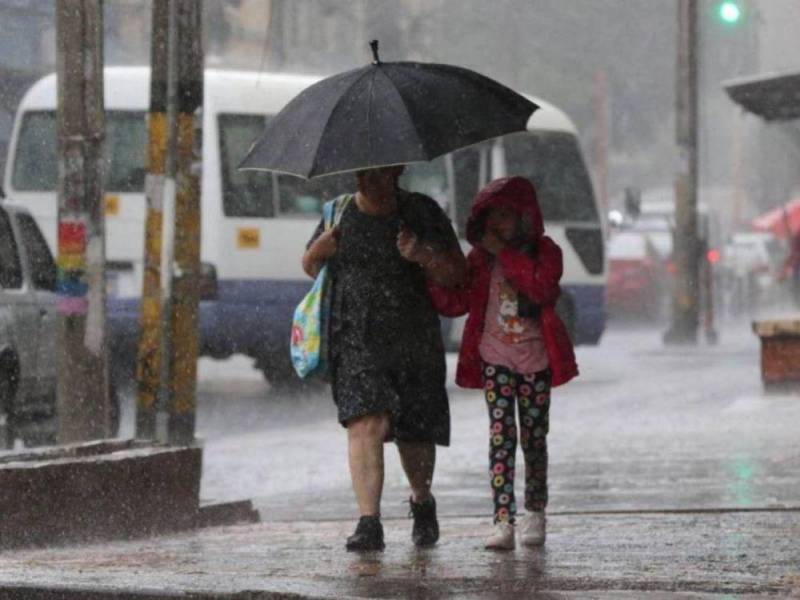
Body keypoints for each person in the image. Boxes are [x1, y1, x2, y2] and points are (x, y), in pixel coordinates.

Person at [302, 166, 467, 552]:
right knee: (364, 422)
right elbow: (312, 268)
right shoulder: (338, 213)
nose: (365, 182)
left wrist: (423, 253)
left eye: (375, 175)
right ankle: (368, 522)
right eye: (360, 175)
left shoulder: (421, 212)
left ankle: (422, 500)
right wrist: (317, 251)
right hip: (355, 340)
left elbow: (457, 274)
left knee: (414, 432)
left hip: (414, 341)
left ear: (396, 171)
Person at [427, 176, 578, 550]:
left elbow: (540, 289)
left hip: (535, 360)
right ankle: (502, 519)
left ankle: (535, 512)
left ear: (524, 218)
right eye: (492, 218)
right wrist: (427, 270)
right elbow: (457, 301)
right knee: (501, 436)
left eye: (506, 217)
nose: (498, 226)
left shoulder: (547, 252)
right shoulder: (480, 260)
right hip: (495, 358)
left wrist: (507, 255)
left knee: (533, 437)